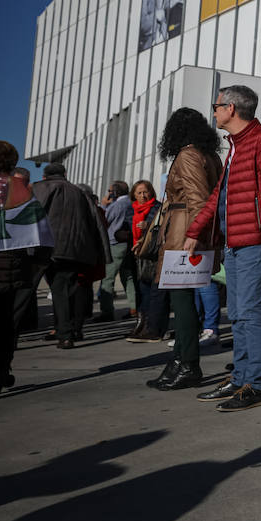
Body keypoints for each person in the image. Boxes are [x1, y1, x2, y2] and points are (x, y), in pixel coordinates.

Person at [184, 84, 261, 413]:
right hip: (235, 244)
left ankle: (256, 385)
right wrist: (195, 231)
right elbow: (218, 195)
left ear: (231, 108)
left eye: (216, 105)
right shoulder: (236, 146)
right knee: (240, 315)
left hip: (257, 242)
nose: (213, 111)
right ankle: (241, 376)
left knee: (251, 313)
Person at [145, 108, 223, 392]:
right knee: (185, 300)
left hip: (184, 235)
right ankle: (180, 360)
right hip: (194, 233)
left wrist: (194, 234)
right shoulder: (210, 155)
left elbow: (198, 199)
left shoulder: (188, 155)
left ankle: (187, 363)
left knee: (182, 302)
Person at [0, 142, 53, 393]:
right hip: (8, 264)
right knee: (3, 321)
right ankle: (0, 370)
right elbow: (39, 228)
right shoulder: (19, 189)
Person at [31, 163, 106, 349]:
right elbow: (95, 222)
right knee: (66, 290)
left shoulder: (39, 188)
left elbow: (30, 216)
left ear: (44, 175)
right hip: (75, 250)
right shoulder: (79, 192)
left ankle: (7, 340)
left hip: (46, 248)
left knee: (26, 292)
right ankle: (67, 333)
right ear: (65, 173)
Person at [125, 180, 165, 342]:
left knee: (150, 288)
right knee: (141, 289)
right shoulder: (130, 209)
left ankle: (150, 325)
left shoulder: (157, 207)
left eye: (145, 192)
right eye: (139, 192)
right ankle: (141, 323)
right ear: (133, 194)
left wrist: (148, 225)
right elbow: (124, 228)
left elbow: (160, 227)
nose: (143, 195)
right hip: (136, 254)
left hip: (151, 254)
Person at [97, 181, 135, 322]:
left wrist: (103, 205)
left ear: (115, 192)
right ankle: (134, 307)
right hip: (128, 243)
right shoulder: (131, 203)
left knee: (107, 279)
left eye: (109, 190)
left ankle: (107, 311)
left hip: (114, 243)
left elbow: (103, 220)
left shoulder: (116, 205)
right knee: (128, 277)